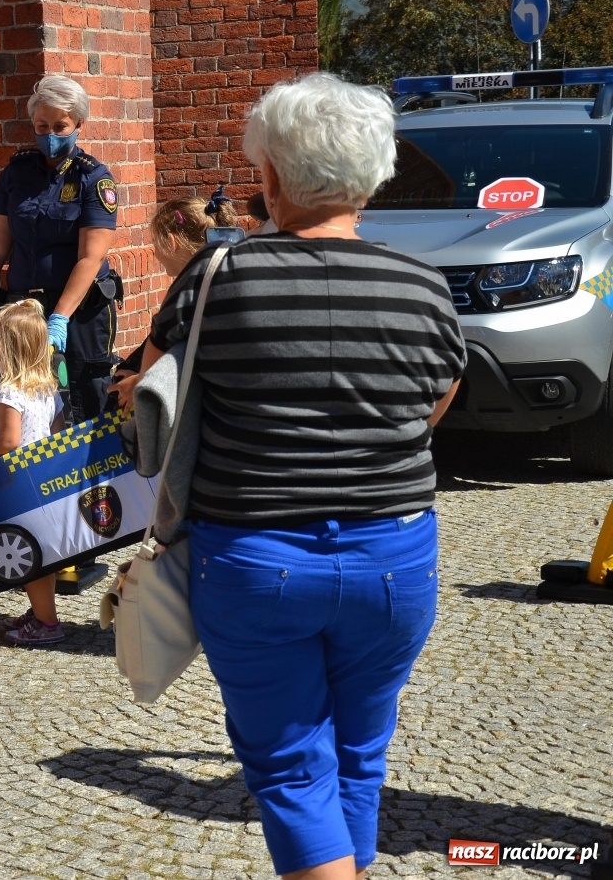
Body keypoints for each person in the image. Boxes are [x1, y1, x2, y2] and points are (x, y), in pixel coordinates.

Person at [142, 73, 464, 879]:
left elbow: (156, 389)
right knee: (360, 753)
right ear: (372, 175)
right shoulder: (425, 287)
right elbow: (434, 403)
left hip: (255, 558)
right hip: (394, 556)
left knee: (290, 768)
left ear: (273, 178)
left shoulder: (217, 280)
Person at [0, 74, 121, 594]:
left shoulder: (95, 178)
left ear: (78, 124)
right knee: (24, 419)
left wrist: (62, 319)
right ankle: (25, 529)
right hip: (24, 315)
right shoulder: (19, 172)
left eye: (60, 126)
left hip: (78, 312)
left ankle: (83, 543)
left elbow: (91, 256)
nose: (49, 135)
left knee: (77, 417)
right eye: (41, 126)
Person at [0, 300, 68, 646]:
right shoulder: (47, 388)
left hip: (17, 485)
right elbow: (59, 435)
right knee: (41, 553)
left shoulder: (8, 392)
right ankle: (42, 613)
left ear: (7, 351)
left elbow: (9, 440)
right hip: (44, 481)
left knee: (31, 561)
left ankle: (47, 623)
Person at [108, 191, 240, 410]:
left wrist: (141, 382)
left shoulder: (185, 294)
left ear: (171, 242)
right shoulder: (228, 278)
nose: (156, 253)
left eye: (155, 243)